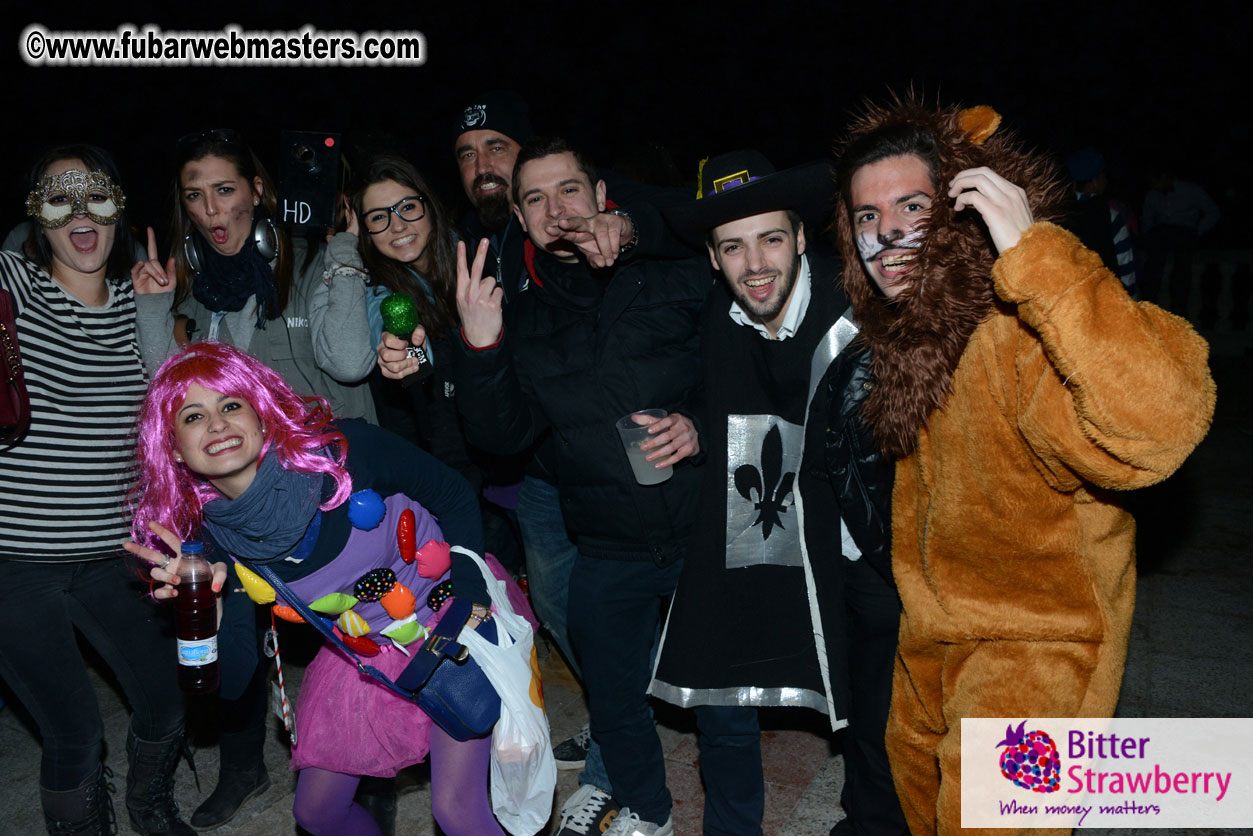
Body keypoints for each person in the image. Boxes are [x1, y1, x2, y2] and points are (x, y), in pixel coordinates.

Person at [831, 99, 1216, 836]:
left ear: (960, 211)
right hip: (931, 651)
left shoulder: (1019, 335)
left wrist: (1034, 251)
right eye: (865, 217)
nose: (885, 233)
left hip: (1036, 655)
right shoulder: (914, 354)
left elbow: (1159, 425)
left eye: (910, 204)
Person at [125, 341, 509, 836]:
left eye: (231, 405)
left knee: (457, 812)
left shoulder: (347, 453)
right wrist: (206, 616)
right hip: (364, 652)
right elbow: (238, 682)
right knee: (317, 815)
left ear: (262, 415)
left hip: (449, 617)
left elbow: (454, 494)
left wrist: (471, 602)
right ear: (174, 448)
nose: (217, 424)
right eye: (194, 416)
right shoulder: (214, 543)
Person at [449, 137, 710, 836]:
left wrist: (699, 426)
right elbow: (502, 438)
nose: (553, 210)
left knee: (722, 706)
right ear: (522, 220)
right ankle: (648, 812)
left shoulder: (676, 273)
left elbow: (738, 371)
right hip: (605, 541)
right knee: (616, 696)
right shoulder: (526, 317)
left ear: (601, 197)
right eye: (532, 199)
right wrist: (479, 343)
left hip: (698, 527)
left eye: (567, 190)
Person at [130, 127, 379, 828]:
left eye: (226, 189)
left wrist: (343, 249)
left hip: (334, 500)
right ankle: (243, 770)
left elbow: (353, 364)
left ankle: (373, 787)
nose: (212, 209)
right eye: (195, 195)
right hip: (243, 504)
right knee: (229, 625)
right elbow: (176, 400)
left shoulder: (309, 261)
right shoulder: (203, 292)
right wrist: (156, 309)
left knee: (366, 640)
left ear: (260, 190)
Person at [655, 150, 906, 836]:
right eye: (731, 247)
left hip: (865, 541)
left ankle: (871, 823)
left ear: (801, 237)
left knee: (873, 711)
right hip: (765, 520)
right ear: (712, 259)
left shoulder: (861, 310)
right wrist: (697, 429)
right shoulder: (717, 314)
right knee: (718, 662)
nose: (754, 263)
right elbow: (727, 405)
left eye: (770, 238)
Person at [0, 145, 191, 836]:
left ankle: (150, 806)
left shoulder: (143, 301)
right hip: (15, 559)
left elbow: (172, 411)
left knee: (167, 700)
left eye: (96, 197)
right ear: (36, 219)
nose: (80, 213)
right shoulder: (13, 286)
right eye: (59, 198)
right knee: (75, 731)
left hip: (114, 552)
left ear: (118, 211)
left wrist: (155, 310)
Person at [325, 154, 480, 489]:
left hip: (513, 459)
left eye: (407, 207)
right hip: (446, 473)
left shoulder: (473, 255)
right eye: (379, 217)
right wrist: (403, 351)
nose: (397, 226)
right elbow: (387, 325)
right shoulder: (376, 289)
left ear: (430, 206)